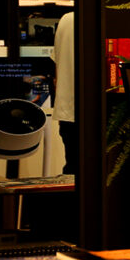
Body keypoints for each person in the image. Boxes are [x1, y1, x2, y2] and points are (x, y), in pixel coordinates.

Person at [53, 11, 75, 174]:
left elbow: (58, 65)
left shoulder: (66, 20)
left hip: (68, 111)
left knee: (73, 168)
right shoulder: (103, 19)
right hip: (103, 114)